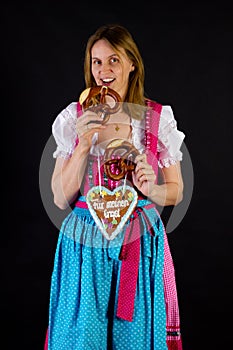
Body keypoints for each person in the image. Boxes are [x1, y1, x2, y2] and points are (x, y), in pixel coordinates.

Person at [44, 23, 185, 350]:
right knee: (84, 338)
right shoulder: (74, 118)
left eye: (114, 60)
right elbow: (59, 197)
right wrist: (82, 145)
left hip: (138, 242)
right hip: (85, 242)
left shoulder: (155, 118)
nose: (104, 71)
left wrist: (153, 189)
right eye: (96, 62)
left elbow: (176, 189)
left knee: (134, 337)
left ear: (131, 63)